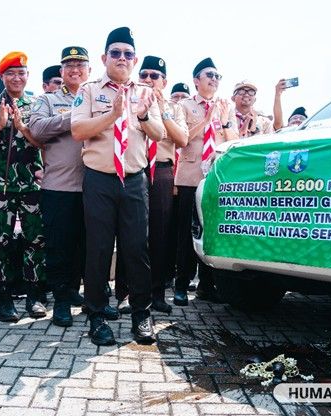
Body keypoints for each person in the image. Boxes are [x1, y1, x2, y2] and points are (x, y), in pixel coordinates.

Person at [71, 27, 164, 345]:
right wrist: (111, 115)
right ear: (104, 58)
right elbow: (79, 130)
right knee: (97, 250)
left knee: (137, 249)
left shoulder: (145, 92)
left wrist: (143, 117)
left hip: (135, 181)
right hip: (99, 179)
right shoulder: (89, 89)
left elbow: (160, 134)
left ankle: (142, 315)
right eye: (116, 53)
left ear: (134, 59)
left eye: (127, 54)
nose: (122, 58)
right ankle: (96, 316)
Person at [115, 55, 188, 315]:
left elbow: (181, 139)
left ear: (164, 81)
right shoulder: (128, 98)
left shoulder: (175, 107)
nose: (148, 80)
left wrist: (160, 110)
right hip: (134, 169)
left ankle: (156, 293)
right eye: (144, 75)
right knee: (130, 234)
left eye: (154, 76)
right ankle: (125, 293)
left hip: (162, 170)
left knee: (159, 234)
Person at [0, 51, 47, 320]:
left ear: (28, 76)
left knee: (35, 242)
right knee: (0, 242)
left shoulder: (38, 105)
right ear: (2, 77)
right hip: (0, 187)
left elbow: (45, 143)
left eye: (21, 73)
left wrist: (22, 127)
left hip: (32, 186)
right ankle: (4, 299)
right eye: (11, 73)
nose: (16, 78)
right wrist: (0, 125)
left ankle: (34, 296)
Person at [29, 46, 91, 327]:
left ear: (89, 69)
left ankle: (79, 292)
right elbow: (37, 129)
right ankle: (61, 301)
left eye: (80, 65)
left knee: (87, 247)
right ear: (61, 71)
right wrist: (75, 117)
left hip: (94, 186)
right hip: (60, 187)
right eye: (68, 65)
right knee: (59, 247)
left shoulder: (98, 98)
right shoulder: (48, 99)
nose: (74, 70)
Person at [174, 58, 236, 307]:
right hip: (190, 178)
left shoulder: (226, 107)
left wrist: (224, 120)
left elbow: (233, 139)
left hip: (214, 180)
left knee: (211, 233)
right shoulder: (184, 105)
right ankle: (180, 285)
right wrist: (207, 117)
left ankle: (207, 285)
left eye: (218, 76)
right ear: (196, 80)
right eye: (209, 74)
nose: (214, 79)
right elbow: (182, 139)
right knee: (186, 235)